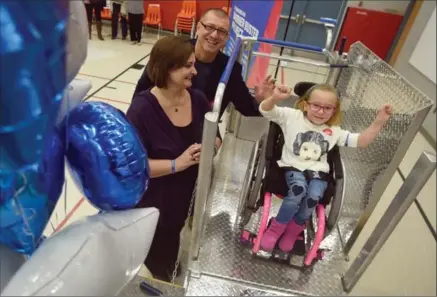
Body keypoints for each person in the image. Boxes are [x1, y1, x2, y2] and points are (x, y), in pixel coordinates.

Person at [126, 36, 221, 282]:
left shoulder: (198, 99)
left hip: (184, 197)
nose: (195, 71)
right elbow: (134, 165)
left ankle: (165, 272)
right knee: (150, 255)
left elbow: (216, 138)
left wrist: (210, 147)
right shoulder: (142, 109)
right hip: (153, 200)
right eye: (188, 66)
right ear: (169, 68)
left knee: (170, 241)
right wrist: (177, 164)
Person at [258, 83, 393, 253]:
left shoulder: (333, 131)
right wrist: (275, 98)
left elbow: (362, 142)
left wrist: (379, 121)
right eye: (316, 105)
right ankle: (276, 229)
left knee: (313, 197)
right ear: (306, 104)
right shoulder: (292, 117)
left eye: (327, 108)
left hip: (318, 174)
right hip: (293, 167)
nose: (321, 112)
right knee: (298, 191)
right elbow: (266, 110)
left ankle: (293, 231)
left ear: (334, 111)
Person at [133, 8, 275, 120]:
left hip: (199, 135)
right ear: (198, 27)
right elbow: (141, 92)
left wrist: (261, 99)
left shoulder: (230, 69)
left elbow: (248, 109)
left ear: (226, 37)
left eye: (221, 31)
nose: (214, 35)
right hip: (160, 124)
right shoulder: (171, 52)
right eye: (209, 27)